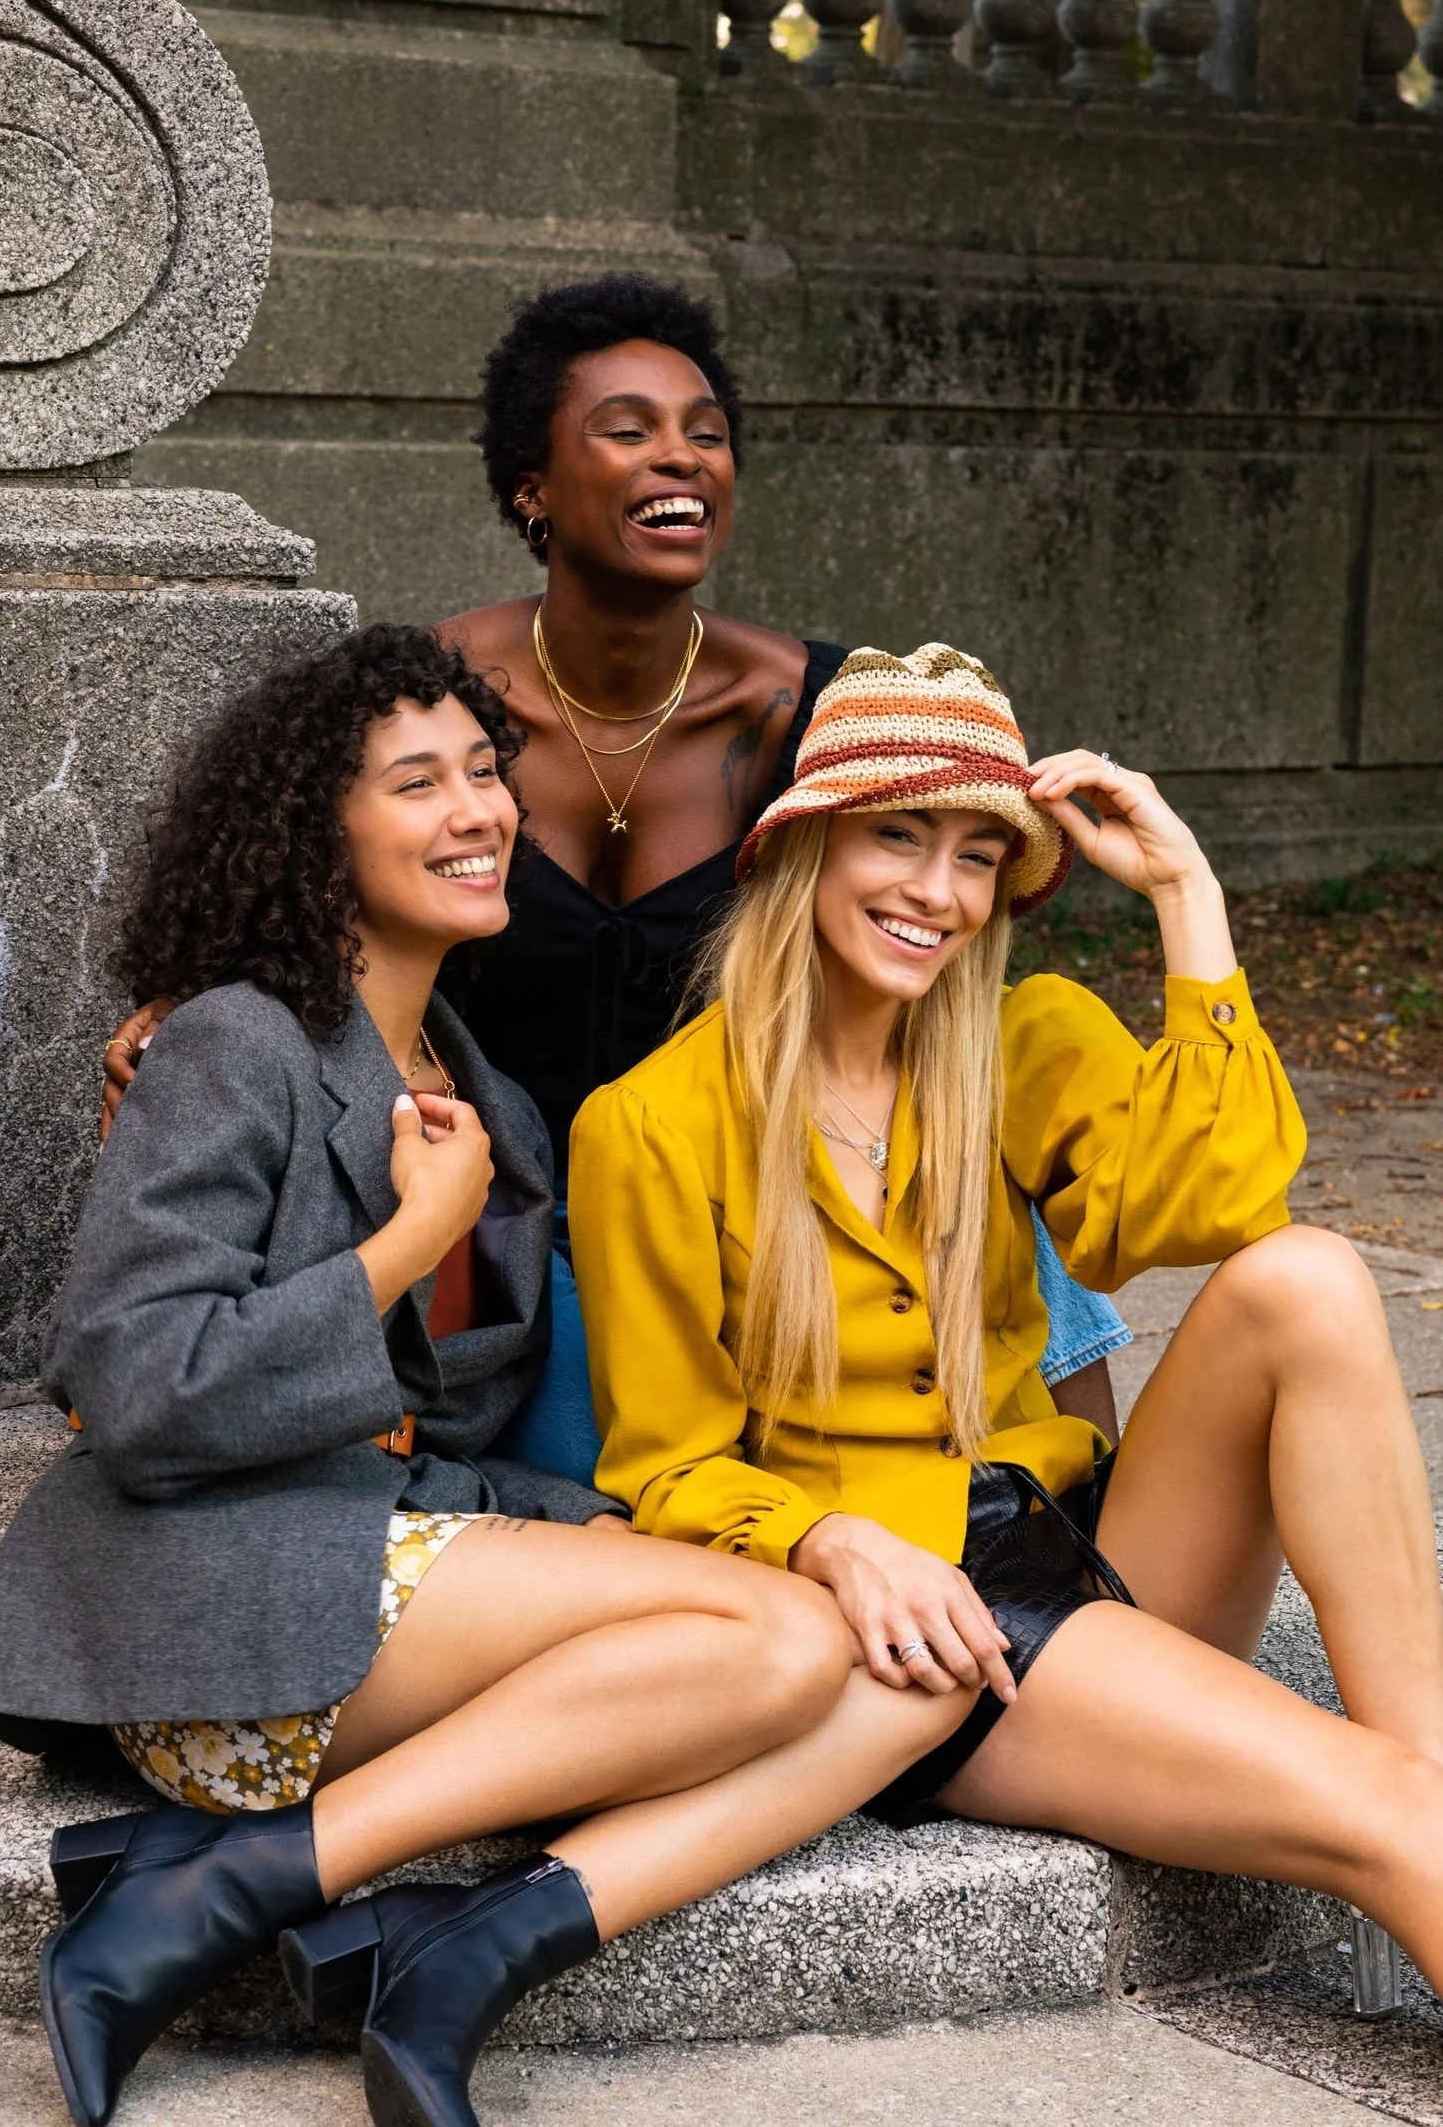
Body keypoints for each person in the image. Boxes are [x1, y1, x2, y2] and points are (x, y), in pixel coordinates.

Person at [0, 625, 983, 2127]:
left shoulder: (484, 1093)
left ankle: (347, 1926)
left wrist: (586, 1528)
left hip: (377, 1573)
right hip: (212, 1595)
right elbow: (133, 1388)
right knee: (782, 1640)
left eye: (488, 773)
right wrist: (403, 1244)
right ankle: (242, 1880)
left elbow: (444, 1436)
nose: (478, 808)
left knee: (860, 1657)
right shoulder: (236, 1041)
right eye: (417, 781)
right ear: (319, 834)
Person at [100, 274, 1130, 1459]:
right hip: (517, 1218)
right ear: (532, 486)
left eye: (707, 433)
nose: (681, 457)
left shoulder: (826, 709)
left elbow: (935, 943)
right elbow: (302, 882)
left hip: (776, 1195)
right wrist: (193, 1006)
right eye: (628, 430)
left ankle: (1087, 1531)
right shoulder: (425, 707)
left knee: (981, 1157)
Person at [569, 641, 1443, 1986]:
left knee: (1309, 1277)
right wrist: (831, 1540)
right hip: (946, 1633)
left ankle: (1428, 1773)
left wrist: (1188, 898)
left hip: (1089, 1545)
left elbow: (1220, 1200)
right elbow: (666, 1468)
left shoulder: (1020, 1037)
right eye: (900, 838)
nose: (939, 891)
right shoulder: (648, 1127)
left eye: (979, 854)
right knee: (1387, 1817)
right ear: (806, 849)